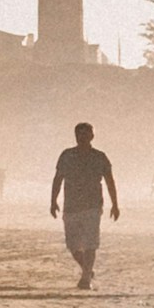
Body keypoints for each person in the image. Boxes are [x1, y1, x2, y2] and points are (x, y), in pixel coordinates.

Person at [50, 119, 120, 291]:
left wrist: (115, 204)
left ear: (92, 136)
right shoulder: (67, 155)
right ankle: (87, 269)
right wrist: (53, 201)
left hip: (92, 206)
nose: (81, 137)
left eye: (85, 134)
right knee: (73, 245)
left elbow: (110, 181)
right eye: (78, 134)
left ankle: (86, 278)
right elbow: (58, 179)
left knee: (90, 244)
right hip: (71, 207)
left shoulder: (99, 157)